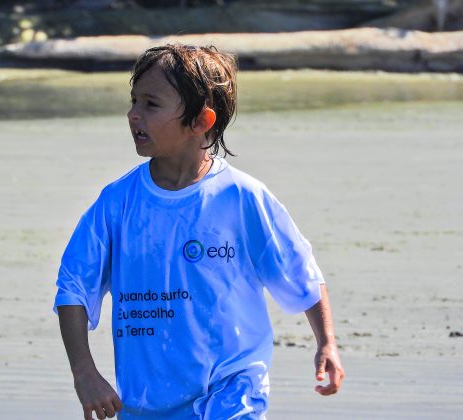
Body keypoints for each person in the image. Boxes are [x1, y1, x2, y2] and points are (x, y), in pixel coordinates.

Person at [53, 44, 345, 420]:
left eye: (150, 104)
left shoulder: (241, 197)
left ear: (200, 122)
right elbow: (73, 287)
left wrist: (327, 344)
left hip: (232, 394)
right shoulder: (117, 203)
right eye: (134, 100)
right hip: (146, 404)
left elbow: (301, 272)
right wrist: (85, 374)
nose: (133, 114)